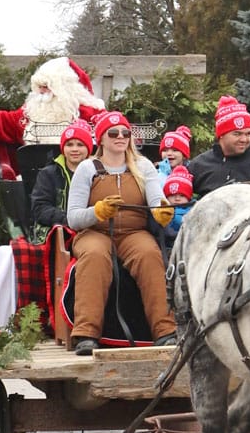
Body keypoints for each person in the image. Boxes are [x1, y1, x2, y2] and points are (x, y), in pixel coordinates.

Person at [65, 111, 176, 356]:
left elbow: (157, 199)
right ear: (101, 139)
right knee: (94, 256)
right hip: (94, 231)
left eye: (125, 133)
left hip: (133, 232)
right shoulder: (87, 168)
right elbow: (73, 218)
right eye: (113, 133)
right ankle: (86, 333)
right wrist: (98, 211)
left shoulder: (144, 165)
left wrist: (161, 211)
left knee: (149, 254)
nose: (120, 137)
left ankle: (165, 330)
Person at [0, 57, 105, 176]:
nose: (41, 92)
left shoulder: (93, 115)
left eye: (47, 86)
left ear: (66, 88)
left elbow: (118, 136)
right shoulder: (29, 116)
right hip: (38, 186)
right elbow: (0, 122)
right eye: (39, 87)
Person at [188, 96, 250, 197]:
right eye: (237, 134)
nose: (244, 139)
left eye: (248, 134)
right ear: (221, 135)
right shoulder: (198, 166)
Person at [30, 120, 93, 244]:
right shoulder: (48, 173)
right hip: (56, 230)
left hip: (90, 229)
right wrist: (70, 220)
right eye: (69, 144)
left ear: (88, 148)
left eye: (80, 145)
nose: (74, 149)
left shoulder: (98, 173)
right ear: (63, 148)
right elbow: (40, 208)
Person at [162, 166, 194, 250]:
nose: (177, 199)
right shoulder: (162, 211)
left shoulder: (193, 211)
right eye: (172, 195)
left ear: (189, 197)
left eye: (182, 195)